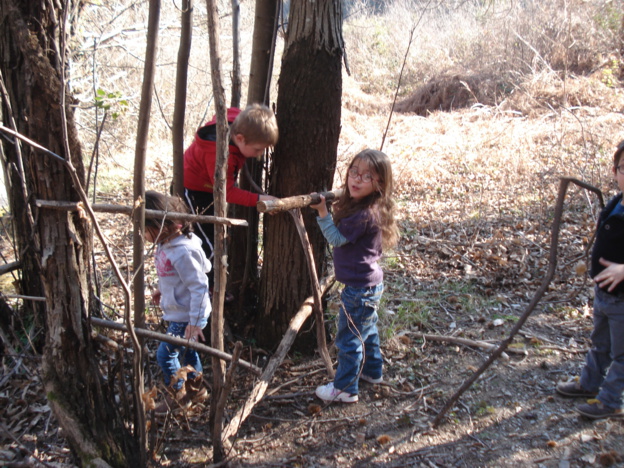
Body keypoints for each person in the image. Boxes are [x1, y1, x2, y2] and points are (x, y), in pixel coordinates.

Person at [310, 149, 400, 403]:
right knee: (367, 332)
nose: (357, 180)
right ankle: (373, 372)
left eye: (366, 177)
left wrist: (323, 213)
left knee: (349, 339)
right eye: (354, 172)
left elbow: (336, 239)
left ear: (380, 184)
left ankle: (346, 388)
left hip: (359, 289)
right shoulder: (371, 207)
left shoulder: (363, 214)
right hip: (369, 285)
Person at [555, 140, 624, 419]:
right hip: (604, 295)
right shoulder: (616, 203)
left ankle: (610, 401)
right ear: (615, 171)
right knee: (601, 343)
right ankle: (589, 383)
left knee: (622, 355)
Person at [183, 103, 279, 265]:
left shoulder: (238, 123)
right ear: (240, 138)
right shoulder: (219, 156)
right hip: (193, 192)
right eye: (257, 149)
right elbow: (227, 191)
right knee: (208, 245)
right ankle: (207, 287)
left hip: (210, 188)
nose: (259, 154)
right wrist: (260, 199)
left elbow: (230, 112)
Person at [145, 190, 212, 412]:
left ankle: (179, 395)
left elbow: (199, 286)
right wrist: (162, 289)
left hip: (185, 316)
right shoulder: (168, 244)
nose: (142, 234)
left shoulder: (183, 251)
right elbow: (176, 277)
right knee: (188, 352)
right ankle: (198, 389)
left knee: (165, 354)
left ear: (161, 226)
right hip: (180, 311)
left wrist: (195, 321)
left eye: (145, 229)